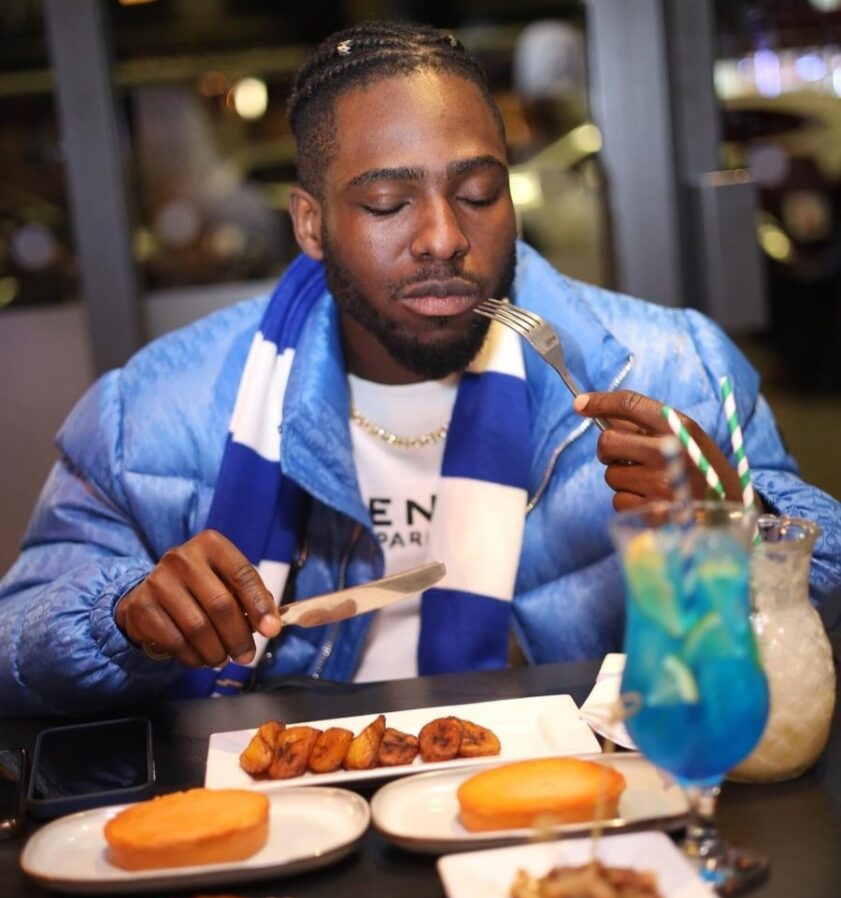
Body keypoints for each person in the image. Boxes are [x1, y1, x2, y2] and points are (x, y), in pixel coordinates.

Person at [0, 21, 839, 716]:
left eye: (477, 193)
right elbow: (14, 646)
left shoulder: (675, 367)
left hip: (571, 819)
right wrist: (121, 616)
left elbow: (822, 608)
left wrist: (745, 522)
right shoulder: (152, 412)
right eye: (386, 204)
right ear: (310, 223)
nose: (442, 237)